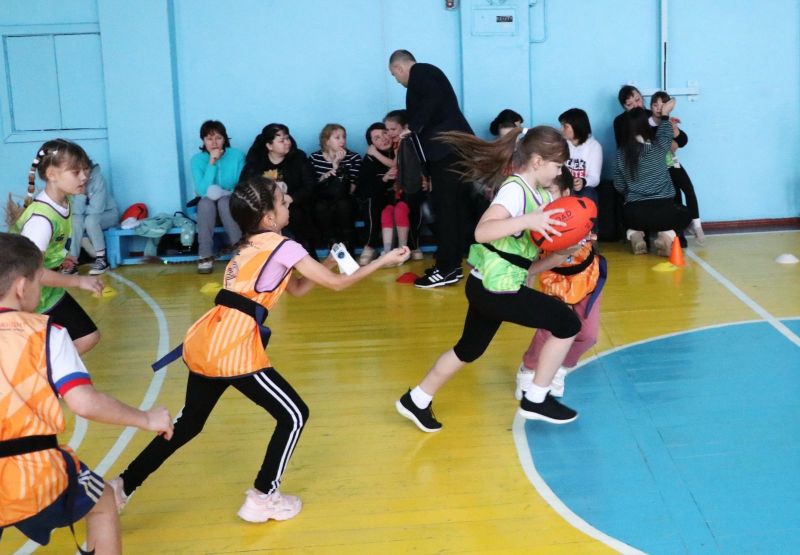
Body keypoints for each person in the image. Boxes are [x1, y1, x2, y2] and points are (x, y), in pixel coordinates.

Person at [109, 176, 409, 523]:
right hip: (233, 346)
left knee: (189, 423)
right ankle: (264, 496)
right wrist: (382, 261)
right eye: (282, 201)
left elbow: (297, 289)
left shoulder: (250, 245)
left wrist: (326, 262)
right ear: (268, 217)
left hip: (208, 338)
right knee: (294, 415)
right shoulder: (284, 246)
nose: (290, 202)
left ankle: (123, 485)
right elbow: (339, 285)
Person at [395, 126, 583, 432]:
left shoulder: (536, 195)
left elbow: (522, 264)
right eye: (558, 165)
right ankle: (536, 398)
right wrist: (528, 220)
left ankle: (416, 399)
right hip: (496, 289)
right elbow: (483, 232)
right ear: (538, 161)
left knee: (468, 350)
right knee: (568, 324)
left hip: (490, 284)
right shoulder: (515, 189)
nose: (560, 172)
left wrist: (562, 253)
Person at [0, 232, 173, 555]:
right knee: (103, 500)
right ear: (22, 287)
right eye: (39, 281)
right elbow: (84, 402)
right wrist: (146, 418)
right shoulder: (46, 333)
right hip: (34, 469)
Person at [6, 139, 104, 355]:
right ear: (52, 174)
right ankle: (42, 372)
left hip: (48, 292)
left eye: (85, 170)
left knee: (87, 337)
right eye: (76, 172)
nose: (84, 177)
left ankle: (46, 370)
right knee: (72, 342)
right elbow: (34, 272)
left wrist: (61, 257)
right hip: (28, 297)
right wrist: (79, 281)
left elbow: (46, 249)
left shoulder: (64, 202)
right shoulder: (41, 220)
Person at [515, 167, 604, 401]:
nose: (544, 198)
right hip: (552, 279)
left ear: (566, 192)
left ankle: (560, 368)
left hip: (587, 277)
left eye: (549, 191)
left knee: (589, 335)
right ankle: (529, 368)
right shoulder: (537, 218)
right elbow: (532, 256)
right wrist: (527, 281)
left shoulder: (581, 211)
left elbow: (590, 240)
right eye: (540, 192)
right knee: (549, 329)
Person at [389, 49, 474, 288]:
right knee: (452, 209)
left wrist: (413, 126)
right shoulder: (427, 76)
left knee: (445, 210)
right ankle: (451, 266)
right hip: (450, 153)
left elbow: (433, 98)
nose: (397, 80)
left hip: (448, 152)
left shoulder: (421, 71)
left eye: (395, 75)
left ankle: (446, 269)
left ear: (399, 68)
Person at [614, 100, 692, 255]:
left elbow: (619, 184)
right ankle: (665, 237)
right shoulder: (659, 146)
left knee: (627, 215)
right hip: (664, 211)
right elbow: (666, 132)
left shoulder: (621, 153)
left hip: (634, 214)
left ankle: (636, 235)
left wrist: (632, 193)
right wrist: (665, 113)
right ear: (646, 126)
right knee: (684, 214)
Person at [241, 123, 318, 258]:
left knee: (298, 215)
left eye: (287, 138)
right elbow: (244, 188)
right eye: (281, 141)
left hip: (293, 205)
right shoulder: (256, 162)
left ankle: (307, 256)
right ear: (269, 146)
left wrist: (291, 198)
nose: (287, 142)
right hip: (264, 207)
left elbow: (310, 185)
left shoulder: (298, 158)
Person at [191, 120, 246, 274]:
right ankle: (205, 255)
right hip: (208, 212)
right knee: (205, 203)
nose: (214, 143)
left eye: (218, 138)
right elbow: (202, 191)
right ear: (203, 140)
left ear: (225, 139)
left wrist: (225, 193)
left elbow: (242, 185)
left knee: (224, 202)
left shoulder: (237, 156)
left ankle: (240, 253)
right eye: (209, 139)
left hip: (232, 206)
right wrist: (212, 162)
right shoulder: (197, 160)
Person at [650, 91, 705, 243]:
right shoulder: (647, 123)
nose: (659, 108)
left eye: (663, 105)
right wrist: (669, 136)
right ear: (650, 107)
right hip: (658, 167)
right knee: (674, 197)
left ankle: (696, 224)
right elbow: (659, 142)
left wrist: (675, 130)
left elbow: (683, 140)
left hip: (672, 162)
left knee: (688, 189)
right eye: (655, 105)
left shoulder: (669, 121)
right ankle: (678, 233)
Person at [356, 122, 410, 264]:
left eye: (385, 133)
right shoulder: (369, 158)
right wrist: (384, 179)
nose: (383, 138)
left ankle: (410, 248)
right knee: (371, 200)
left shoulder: (401, 149)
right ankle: (369, 246)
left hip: (402, 195)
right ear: (372, 145)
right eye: (377, 138)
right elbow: (365, 189)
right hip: (381, 197)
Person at [309, 124, 362, 251]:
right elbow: (312, 186)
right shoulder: (315, 158)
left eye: (344, 137)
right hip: (322, 198)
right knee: (321, 206)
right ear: (326, 141)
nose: (342, 141)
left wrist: (337, 166)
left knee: (343, 205)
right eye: (337, 137)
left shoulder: (354, 157)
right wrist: (325, 176)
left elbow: (351, 189)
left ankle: (348, 247)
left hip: (346, 198)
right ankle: (332, 245)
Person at [383, 109, 425, 261]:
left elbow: (414, 167)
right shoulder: (399, 143)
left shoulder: (409, 141)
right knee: (396, 211)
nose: (389, 133)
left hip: (413, 188)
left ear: (405, 127)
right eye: (387, 130)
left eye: (393, 129)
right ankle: (401, 249)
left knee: (411, 213)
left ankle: (410, 248)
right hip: (405, 188)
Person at [67, 162, 119, 275]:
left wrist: (82, 211)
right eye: (79, 170)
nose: (83, 173)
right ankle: (72, 261)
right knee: (75, 221)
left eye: (86, 168)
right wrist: (81, 194)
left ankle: (102, 260)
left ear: (90, 168)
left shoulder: (98, 179)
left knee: (90, 221)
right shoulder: (72, 181)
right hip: (86, 216)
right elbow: (76, 211)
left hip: (108, 214)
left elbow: (96, 208)